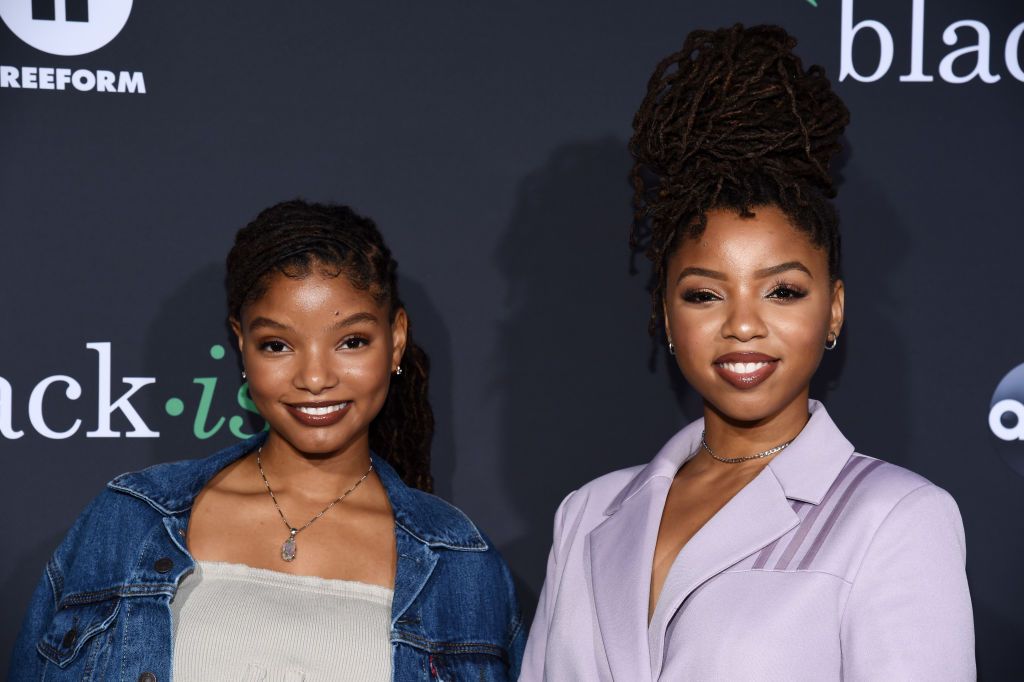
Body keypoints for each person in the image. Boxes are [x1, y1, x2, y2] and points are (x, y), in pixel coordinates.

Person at [520, 24, 974, 681]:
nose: (743, 325)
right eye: (705, 295)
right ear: (666, 317)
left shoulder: (896, 518)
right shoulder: (589, 513)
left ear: (834, 310)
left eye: (783, 291)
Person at [10, 200, 524, 681]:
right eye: (277, 344)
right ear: (241, 344)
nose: (316, 377)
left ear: (396, 339)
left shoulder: (463, 565)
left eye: (351, 341)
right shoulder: (127, 523)